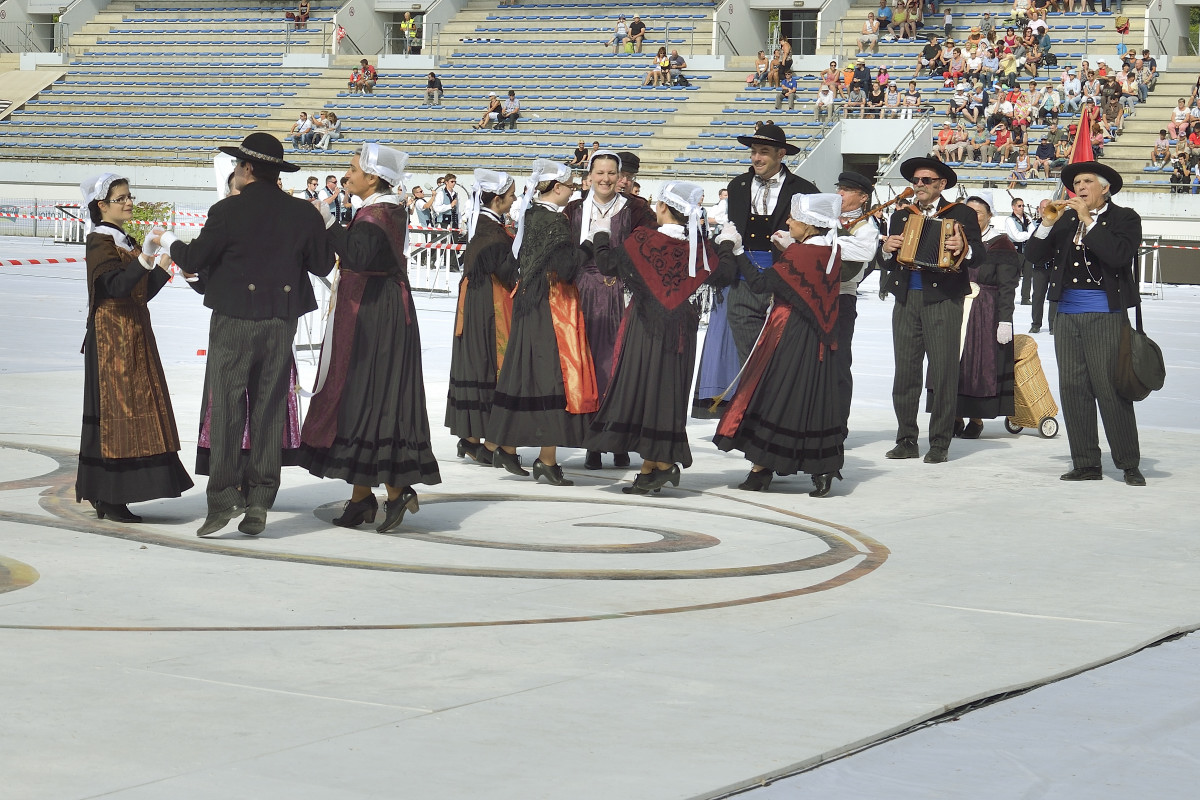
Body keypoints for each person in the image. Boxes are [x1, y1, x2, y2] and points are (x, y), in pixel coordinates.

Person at [148, 132, 335, 536]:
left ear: (248, 168)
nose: (235, 170)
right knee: (269, 406)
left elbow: (195, 258)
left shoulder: (227, 210)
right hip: (280, 320)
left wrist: (168, 239)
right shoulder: (302, 213)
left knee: (228, 406)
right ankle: (260, 498)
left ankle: (223, 496)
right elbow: (323, 265)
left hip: (234, 318)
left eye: (237, 164)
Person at [298, 144, 441, 531]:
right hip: (374, 310)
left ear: (373, 177)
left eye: (353, 169)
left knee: (372, 397)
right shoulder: (378, 209)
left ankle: (396, 490)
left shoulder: (378, 214)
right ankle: (362, 497)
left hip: (377, 316)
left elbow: (358, 256)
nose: (347, 175)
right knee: (360, 397)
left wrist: (328, 222)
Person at [586, 182, 738, 494]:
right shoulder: (698, 248)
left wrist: (600, 233)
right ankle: (654, 466)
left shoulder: (644, 239)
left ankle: (661, 465)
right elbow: (724, 274)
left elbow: (607, 264)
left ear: (663, 207)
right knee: (667, 394)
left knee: (643, 392)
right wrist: (726, 245)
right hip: (681, 332)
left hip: (645, 328)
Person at [75, 173, 193, 523]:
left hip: (132, 333)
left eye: (129, 196)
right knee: (117, 414)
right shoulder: (99, 240)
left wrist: (160, 268)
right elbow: (115, 287)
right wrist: (146, 258)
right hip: (111, 339)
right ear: (102, 205)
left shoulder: (122, 239)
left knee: (134, 409)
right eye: (121, 198)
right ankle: (110, 495)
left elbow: (139, 293)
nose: (128, 202)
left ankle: (110, 494)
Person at [713, 194, 847, 497]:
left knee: (775, 393)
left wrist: (737, 250)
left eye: (793, 218)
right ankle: (821, 466)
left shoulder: (801, 254)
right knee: (811, 397)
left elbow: (760, 285)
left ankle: (762, 468)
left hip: (790, 332)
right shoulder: (830, 250)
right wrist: (790, 249)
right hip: (818, 338)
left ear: (809, 224)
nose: (788, 221)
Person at [1025, 162, 1145, 485]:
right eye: (1076, 182)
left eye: (1087, 181)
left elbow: (1119, 255)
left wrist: (1089, 222)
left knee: (1110, 387)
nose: (1079, 187)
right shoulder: (1064, 220)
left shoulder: (1125, 218)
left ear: (1105, 188)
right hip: (1066, 315)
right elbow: (1034, 256)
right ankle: (1086, 462)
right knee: (1073, 388)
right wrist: (1046, 223)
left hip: (1105, 314)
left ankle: (1128, 463)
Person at [486, 159, 596, 484]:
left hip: (527, 303)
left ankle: (506, 444)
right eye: (570, 186)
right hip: (551, 305)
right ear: (557, 188)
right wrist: (588, 247)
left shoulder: (531, 214)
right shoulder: (555, 221)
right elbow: (565, 268)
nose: (572, 192)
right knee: (552, 377)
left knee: (522, 372)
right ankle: (547, 459)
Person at [879, 157, 983, 463]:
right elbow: (886, 262)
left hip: (943, 299)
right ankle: (906, 439)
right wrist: (885, 249)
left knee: (944, 371)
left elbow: (979, 255)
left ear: (941, 184)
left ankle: (939, 442)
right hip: (905, 299)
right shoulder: (901, 215)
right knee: (905, 371)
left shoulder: (961, 213)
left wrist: (962, 247)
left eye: (926, 180)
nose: (919, 185)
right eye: (916, 180)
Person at [565, 150, 656, 470]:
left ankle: (619, 438)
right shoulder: (574, 209)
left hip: (623, 295)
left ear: (620, 177)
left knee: (618, 368)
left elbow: (648, 250)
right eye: (599, 173)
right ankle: (591, 441)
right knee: (588, 367)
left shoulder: (635, 210)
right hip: (583, 297)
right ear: (589, 176)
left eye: (611, 173)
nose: (605, 179)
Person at [447, 169, 519, 466]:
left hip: (479, 299)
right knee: (486, 361)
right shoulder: (492, 232)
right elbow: (507, 272)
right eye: (511, 196)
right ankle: (478, 438)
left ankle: (471, 437)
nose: (514, 200)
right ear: (497, 200)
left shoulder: (486, 225)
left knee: (477, 361)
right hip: (486, 303)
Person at [952, 191, 1021, 439]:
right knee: (955, 362)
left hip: (985, 311)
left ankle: (976, 418)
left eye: (978, 213)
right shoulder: (954, 239)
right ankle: (955, 415)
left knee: (979, 364)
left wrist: (1005, 320)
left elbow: (1007, 286)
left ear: (989, 215)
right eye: (967, 213)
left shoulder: (1001, 244)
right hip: (956, 307)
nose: (972, 217)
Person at [832, 172, 882, 443]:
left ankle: (838, 426)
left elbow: (863, 253)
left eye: (847, 190)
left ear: (863, 198)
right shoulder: (828, 218)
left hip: (842, 298)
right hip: (813, 296)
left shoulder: (867, 228)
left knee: (839, 362)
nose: (840, 193)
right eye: (839, 188)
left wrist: (827, 241)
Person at [1028, 199, 1056, 333]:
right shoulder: (1034, 225)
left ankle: (1053, 325)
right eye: (1043, 208)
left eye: (1048, 207)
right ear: (1039, 210)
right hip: (1040, 267)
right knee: (1038, 296)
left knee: (1054, 297)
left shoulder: (1058, 224)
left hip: (1054, 266)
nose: (1045, 210)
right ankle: (1036, 324)